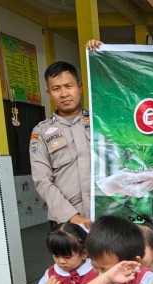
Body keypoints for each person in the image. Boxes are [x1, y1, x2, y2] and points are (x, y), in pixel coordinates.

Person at [30, 42, 101, 230]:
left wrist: (103, 55)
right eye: (56, 89)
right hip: (66, 224)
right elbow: (42, 180)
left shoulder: (100, 122)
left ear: (80, 87)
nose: (64, 94)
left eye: (69, 86)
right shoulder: (41, 132)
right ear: (49, 93)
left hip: (104, 218)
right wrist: (72, 216)